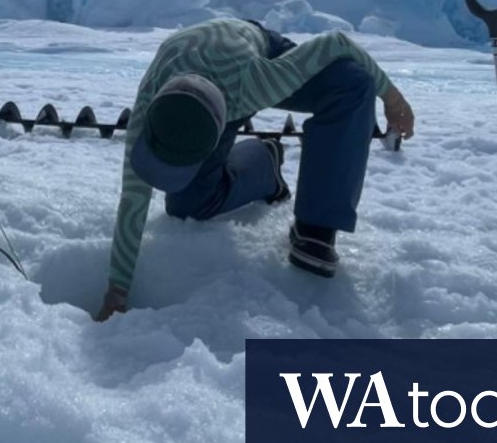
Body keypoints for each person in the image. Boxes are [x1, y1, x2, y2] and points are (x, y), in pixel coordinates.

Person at [96, 18, 415, 321]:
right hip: (193, 72)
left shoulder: (260, 82)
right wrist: (116, 292)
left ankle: (318, 224)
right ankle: (265, 162)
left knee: (353, 83)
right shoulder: (151, 114)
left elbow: (337, 42)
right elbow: (133, 201)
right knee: (187, 205)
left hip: (250, 52)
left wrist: (391, 96)